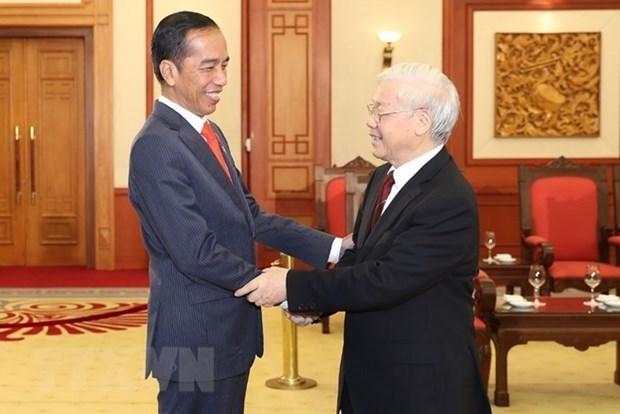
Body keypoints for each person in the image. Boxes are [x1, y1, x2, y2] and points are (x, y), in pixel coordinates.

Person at [235, 62, 492, 414]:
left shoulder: (448, 198)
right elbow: (362, 257)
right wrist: (318, 304)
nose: (370, 121)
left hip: (422, 385)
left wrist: (292, 287)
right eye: (372, 110)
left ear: (421, 122)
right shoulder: (382, 177)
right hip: (373, 372)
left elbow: (385, 280)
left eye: (381, 112)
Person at [128, 11, 348, 414]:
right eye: (208, 66)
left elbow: (250, 215)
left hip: (227, 334)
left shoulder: (208, 132)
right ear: (169, 71)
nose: (222, 78)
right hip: (192, 340)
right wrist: (287, 296)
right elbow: (196, 251)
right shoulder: (157, 145)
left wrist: (334, 248)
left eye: (225, 64)